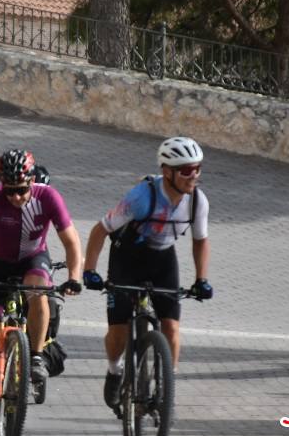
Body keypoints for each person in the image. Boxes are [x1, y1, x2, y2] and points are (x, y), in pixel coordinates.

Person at [0, 149, 82, 436]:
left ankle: (36, 356)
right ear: (1, 184)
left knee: (39, 290)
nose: (16, 198)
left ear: (31, 181)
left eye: (21, 190)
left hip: (33, 259)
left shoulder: (48, 197)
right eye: (10, 191)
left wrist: (74, 277)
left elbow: (71, 242)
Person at [82, 136, 213, 409]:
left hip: (163, 257)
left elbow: (200, 241)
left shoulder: (197, 202)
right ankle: (114, 370)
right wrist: (89, 271)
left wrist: (202, 279)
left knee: (172, 327)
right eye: (187, 170)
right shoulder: (141, 197)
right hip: (127, 257)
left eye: (198, 168)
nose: (194, 176)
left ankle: (167, 388)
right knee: (118, 330)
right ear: (167, 172)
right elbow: (100, 230)